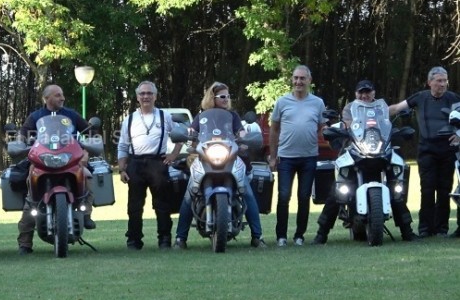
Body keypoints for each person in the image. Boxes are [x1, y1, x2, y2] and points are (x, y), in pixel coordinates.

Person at [312, 80, 420, 244]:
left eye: (368, 91)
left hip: (380, 150)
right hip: (355, 151)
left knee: (396, 189)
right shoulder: (350, 108)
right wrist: (337, 129)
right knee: (337, 191)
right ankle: (321, 235)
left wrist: (396, 132)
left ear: (373, 93)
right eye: (361, 92)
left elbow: (386, 125)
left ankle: (408, 231)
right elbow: (349, 125)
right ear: (356, 94)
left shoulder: (381, 108)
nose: (364, 95)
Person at [174, 82, 267, 249]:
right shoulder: (201, 117)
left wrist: (245, 140)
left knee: (247, 193)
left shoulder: (233, 116)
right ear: (212, 97)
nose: (226, 99)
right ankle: (180, 239)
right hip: (205, 160)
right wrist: (185, 136)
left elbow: (241, 133)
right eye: (222, 96)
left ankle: (257, 237)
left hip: (230, 160)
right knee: (190, 194)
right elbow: (190, 133)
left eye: (228, 96)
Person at [16, 84, 95, 255]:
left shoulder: (71, 114)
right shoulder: (36, 116)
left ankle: (86, 213)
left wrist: (87, 150)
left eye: (62, 94)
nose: (62, 98)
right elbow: (22, 134)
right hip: (43, 161)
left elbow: (88, 132)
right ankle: (25, 243)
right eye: (58, 95)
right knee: (31, 196)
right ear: (47, 98)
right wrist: (19, 143)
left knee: (87, 176)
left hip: (71, 160)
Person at [389, 67, 460, 238]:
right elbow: (396, 108)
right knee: (427, 189)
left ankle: (442, 229)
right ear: (430, 83)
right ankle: (425, 229)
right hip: (426, 149)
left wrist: (458, 135)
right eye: (439, 81)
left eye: (445, 80)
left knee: (445, 189)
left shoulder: (454, 98)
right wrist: (374, 112)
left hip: (448, 150)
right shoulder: (420, 97)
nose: (443, 84)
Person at [117, 81, 183, 250]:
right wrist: (122, 169)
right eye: (142, 94)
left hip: (157, 163)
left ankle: (164, 239)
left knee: (162, 204)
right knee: (134, 205)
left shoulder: (164, 116)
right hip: (135, 164)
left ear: (155, 96)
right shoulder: (129, 119)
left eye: (149, 93)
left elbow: (180, 135)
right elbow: (123, 146)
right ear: (137, 97)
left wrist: (174, 154)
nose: (145, 96)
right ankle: (134, 240)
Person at [269, 65, 326, 246]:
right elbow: (274, 130)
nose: (298, 82)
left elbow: (321, 127)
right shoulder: (282, 102)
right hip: (286, 157)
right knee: (284, 196)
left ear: (309, 80)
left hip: (309, 157)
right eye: (295, 78)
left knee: (304, 196)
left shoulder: (318, 103)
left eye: (302, 78)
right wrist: (272, 156)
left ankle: (299, 236)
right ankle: (281, 236)